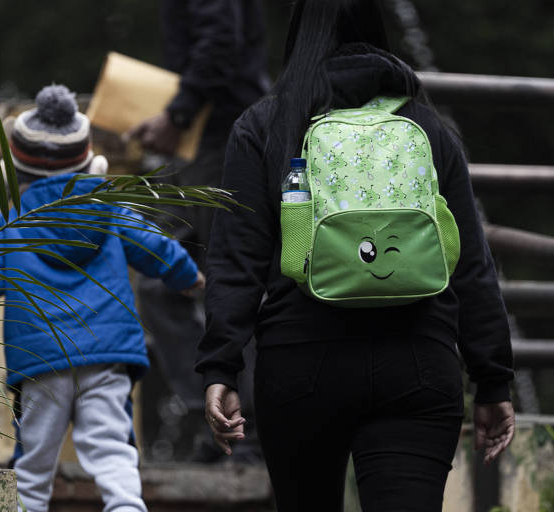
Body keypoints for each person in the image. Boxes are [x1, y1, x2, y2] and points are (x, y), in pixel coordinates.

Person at [196, 1, 515, 510]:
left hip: (301, 365)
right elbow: (471, 265)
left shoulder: (264, 124)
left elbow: (237, 260)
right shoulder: (429, 130)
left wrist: (220, 368)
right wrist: (493, 378)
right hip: (418, 363)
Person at [0, 85, 204, 512]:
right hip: (106, 356)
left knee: (33, 462)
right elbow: (154, 245)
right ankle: (125, 507)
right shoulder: (112, 210)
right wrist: (187, 275)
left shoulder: (12, 227)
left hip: (40, 360)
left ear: (21, 168)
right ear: (86, 158)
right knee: (111, 449)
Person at [126, 0, 269, 463]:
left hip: (219, 136)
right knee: (159, 278)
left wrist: (177, 114)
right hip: (199, 141)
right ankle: (213, 417)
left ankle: (241, 436)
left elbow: (219, 44)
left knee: (229, 282)